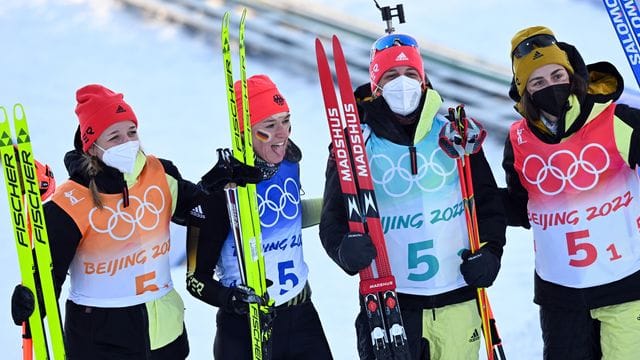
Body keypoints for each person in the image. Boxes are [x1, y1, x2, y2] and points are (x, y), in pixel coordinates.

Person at [319, 32, 506, 359]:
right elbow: (333, 219)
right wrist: (343, 249)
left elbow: (488, 204)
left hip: (457, 298)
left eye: (410, 74)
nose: (401, 83)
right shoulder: (354, 142)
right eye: (390, 76)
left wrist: (491, 253)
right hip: (392, 304)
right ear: (376, 86)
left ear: (423, 81)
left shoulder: (454, 132)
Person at [10, 84, 213, 359]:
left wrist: (218, 186)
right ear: (92, 147)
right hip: (99, 342)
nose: (128, 143)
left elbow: (202, 211)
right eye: (115, 136)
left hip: (166, 336)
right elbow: (47, 274)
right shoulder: (70, 201)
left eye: (132, 132)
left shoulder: (161, 174)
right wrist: (30, 300)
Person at [502, 25, 640, 360]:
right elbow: (522, 209)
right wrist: (480, 201)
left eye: (556, 74)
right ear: (524, 92)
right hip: (560, 294)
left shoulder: (615, 118)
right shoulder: (519, 140)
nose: (550, 86)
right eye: (537, 82)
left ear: (572, 75)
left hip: (625, 284)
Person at [185, 74, 333, 359]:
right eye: (269, 125)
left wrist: (338, 206)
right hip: (246, 328)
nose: (282, 133)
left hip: (302, 316)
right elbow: (195, 278)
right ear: (245, 131)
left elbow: (288, 218)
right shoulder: (221, 190)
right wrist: (231, 299)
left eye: (286, 120)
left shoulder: (288, 164)